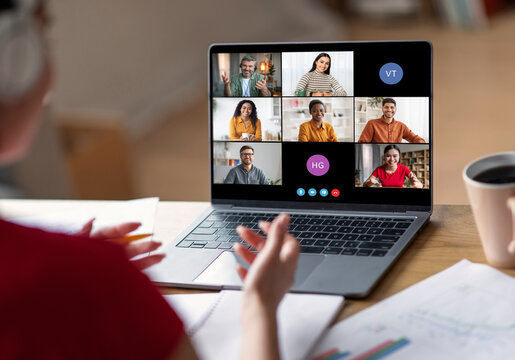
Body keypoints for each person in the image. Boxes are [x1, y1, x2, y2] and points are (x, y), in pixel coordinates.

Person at [0, 1, 299, 359]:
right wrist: (259, 306)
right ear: (16, 60)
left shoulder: (71, 274)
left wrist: (64, 268)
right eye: (44, 34)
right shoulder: (94, 277)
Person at [358, 98, 426, 143]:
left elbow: (414, 138)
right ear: (382, 109)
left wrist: (420, 142)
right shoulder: (372, 123)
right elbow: (362, 142)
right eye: (386, 107)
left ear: (395, 109)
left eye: (392, 107)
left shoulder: (401, 126)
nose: (389, 110)